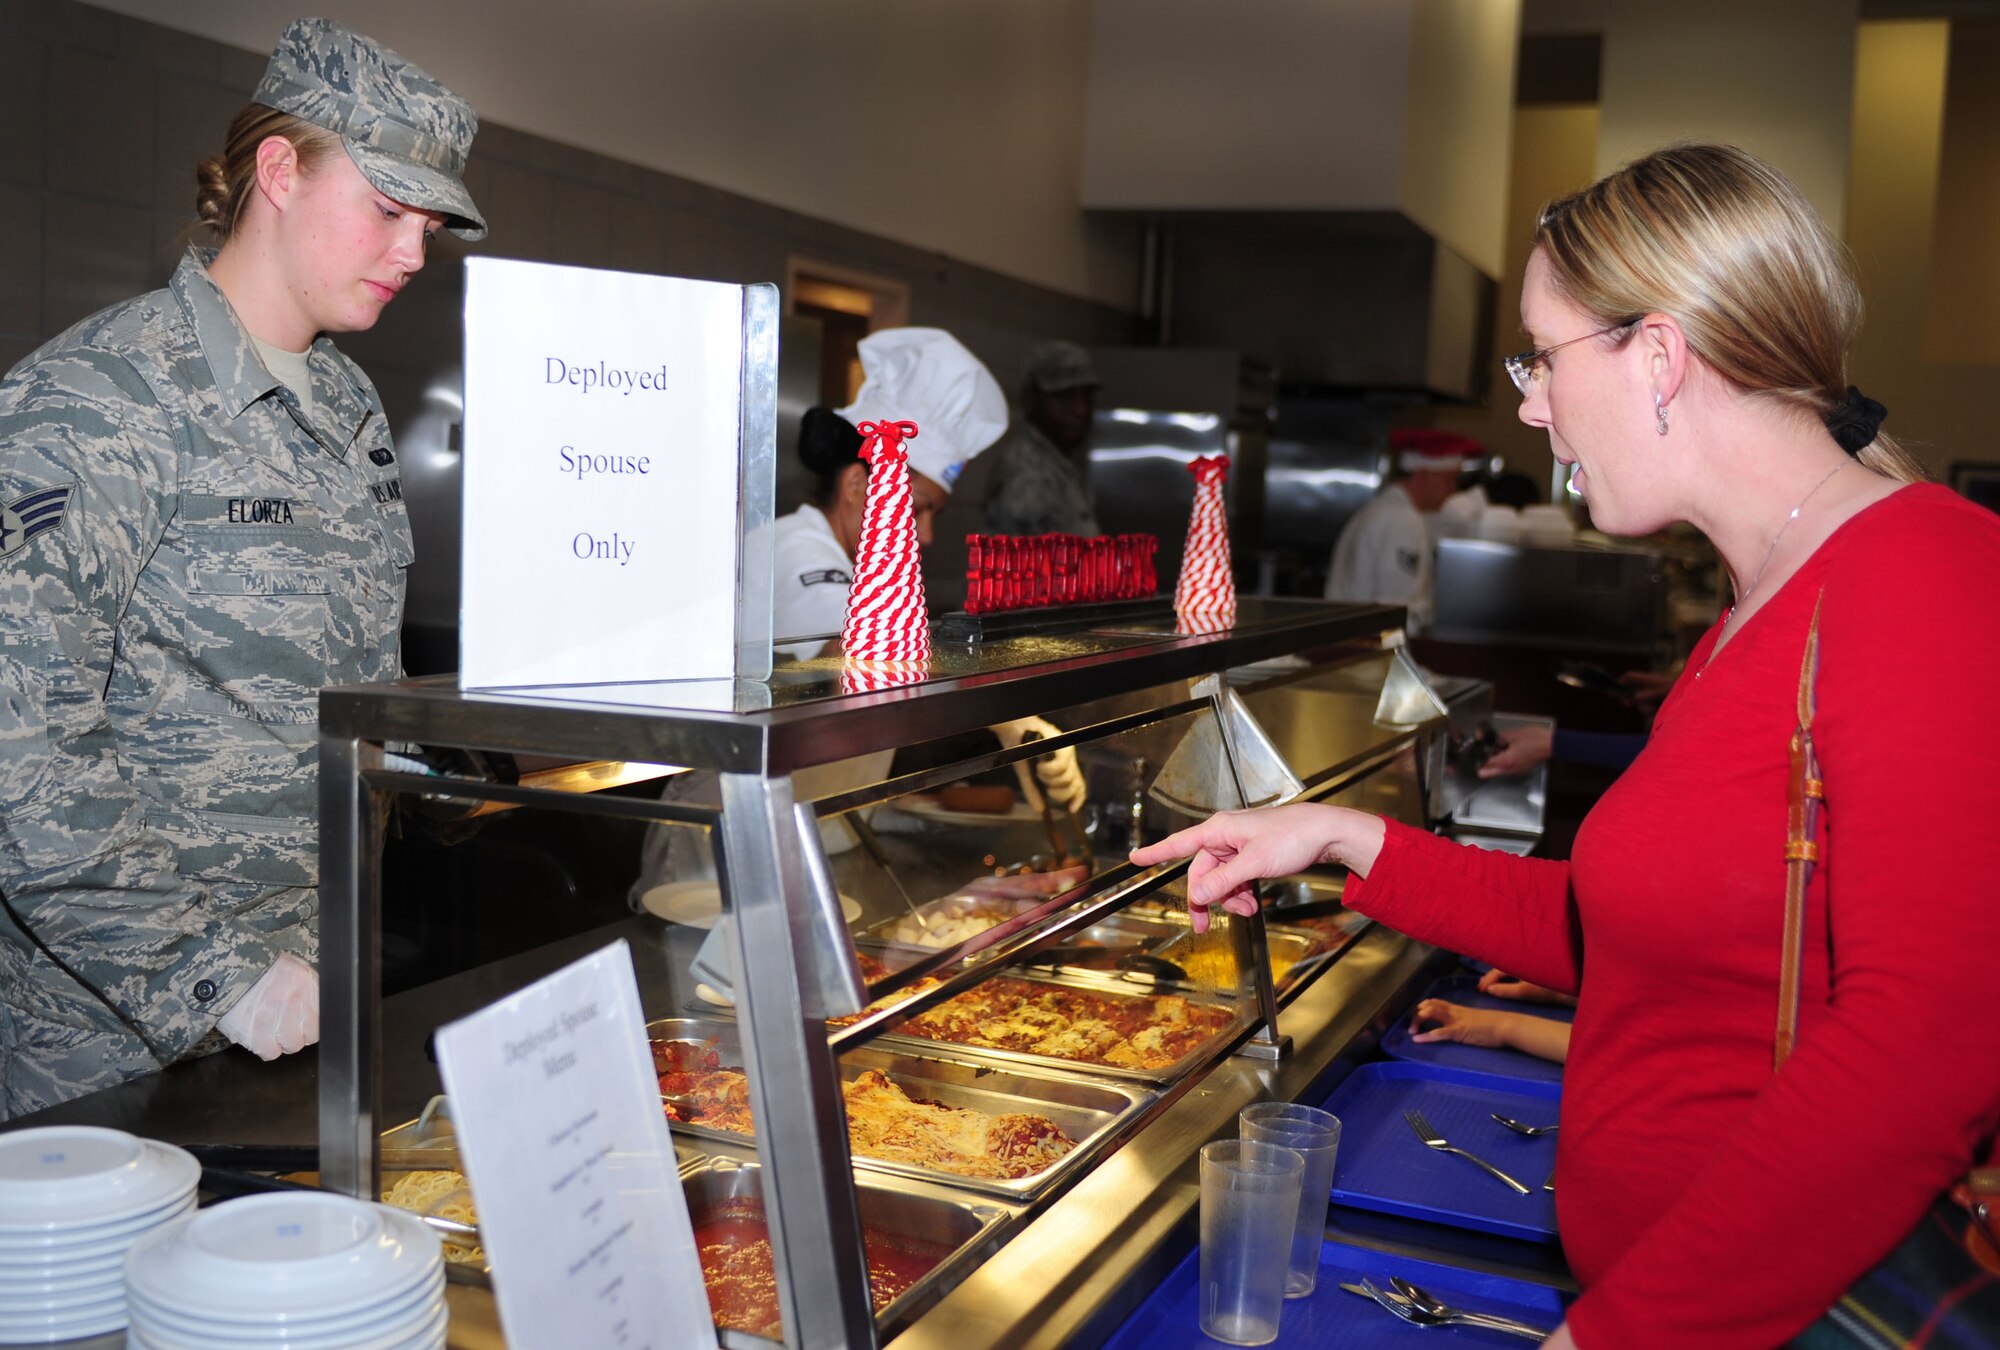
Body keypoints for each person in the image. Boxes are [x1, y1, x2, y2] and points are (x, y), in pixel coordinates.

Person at [1135, 143, 2000, 1348]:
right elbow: (1626, 936)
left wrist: (1617, 1333)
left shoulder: (1925, 578)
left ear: (1657, 356)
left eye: (1539, 358)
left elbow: (1924, 1053)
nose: (1530, 404)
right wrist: (1344, 839)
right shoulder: (1752, 612)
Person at [0, 19, 484, 1117]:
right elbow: (20, 740)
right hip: (111, 1041)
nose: (414, 252)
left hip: (318, 987)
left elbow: (338, 676)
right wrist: (210, 976)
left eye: (431, 225)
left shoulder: (348, 402)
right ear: (278, 170)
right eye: (388, 208)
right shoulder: (96, 401)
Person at [926, 339, 1102, 609]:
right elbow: (1033, 586)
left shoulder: (1061, 463)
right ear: (1030, 400)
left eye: (1085, 396)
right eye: (1065, 397)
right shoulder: (1026, 472)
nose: (1080, 409)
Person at [1323, 428, 1475, 633]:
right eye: (1449, 479)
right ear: (1424, 475)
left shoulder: (1384, 510)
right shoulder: (1403, 521)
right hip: (1367, 649)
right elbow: (1395, 613)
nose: (1453, 490)